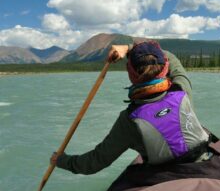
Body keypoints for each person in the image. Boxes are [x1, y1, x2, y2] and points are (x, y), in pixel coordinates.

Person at [50, 41, 210, 175]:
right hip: (203, 165)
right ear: (165, 67)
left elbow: (95, 162)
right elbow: (171, 57)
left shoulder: (129, 121)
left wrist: (62, 161)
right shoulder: (182, 91)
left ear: (130, 74)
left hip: (163, 178)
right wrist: (128, 48)